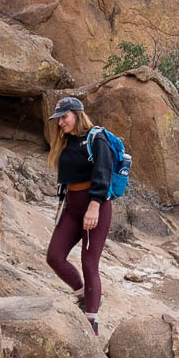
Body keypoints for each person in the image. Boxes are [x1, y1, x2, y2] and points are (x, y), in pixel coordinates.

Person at [45, 96, 113, 335]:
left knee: (89, 262)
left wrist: (94, 206)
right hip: (72, 208)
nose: (60, 123)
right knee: (54, 256)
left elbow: (103, 174)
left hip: (96, 207)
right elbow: (68, 178)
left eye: (64, 117)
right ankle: (84, 294)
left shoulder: (97, 138)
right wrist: (61, 203)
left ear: (77, 114)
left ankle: (91, 324)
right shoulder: (66, 142)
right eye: (58, 119)